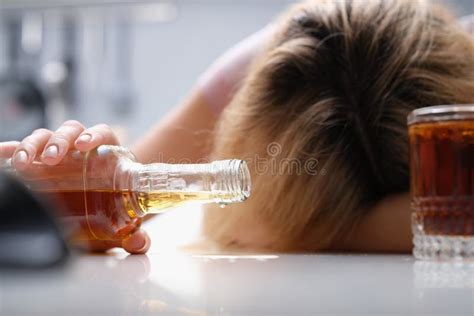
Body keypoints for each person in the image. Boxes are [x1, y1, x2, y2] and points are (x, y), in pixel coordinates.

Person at [1, 0, 473, 254]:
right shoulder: (279, 67)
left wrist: (313, 227)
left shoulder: (455, 121)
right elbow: (124, 193)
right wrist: (57, 192)